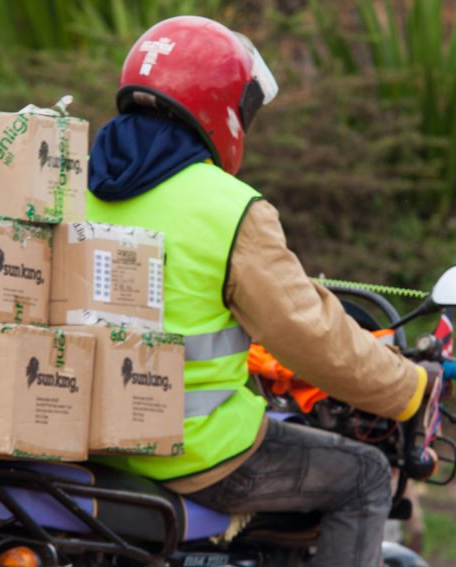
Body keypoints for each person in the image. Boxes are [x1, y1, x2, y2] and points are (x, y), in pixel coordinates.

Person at [86, 16, 437, 565]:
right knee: (365, 477)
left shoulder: (69, 185)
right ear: (219, 108)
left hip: (79, 440)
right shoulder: (231, 208)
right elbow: (307, 334)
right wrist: (408, 388)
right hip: (192, 454)